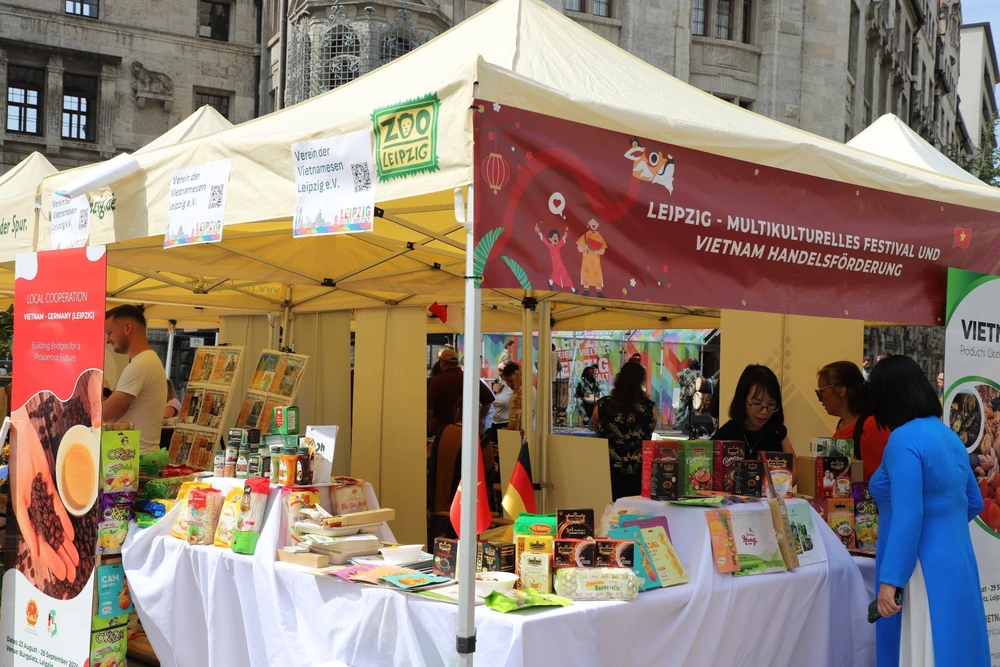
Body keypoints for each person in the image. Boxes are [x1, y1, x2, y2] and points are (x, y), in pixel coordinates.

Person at [867, 355, 988, 666]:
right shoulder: (949, 436)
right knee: (955, 646)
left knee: (921, 649)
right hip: (957, 557)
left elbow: (909, 514)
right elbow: (973, 501)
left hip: (918, 566)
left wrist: (891, 579)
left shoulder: (902, 441)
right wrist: (942, 531)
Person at [103, 305, 168, 455]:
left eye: (109, 332)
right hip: (136, 457)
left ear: (127, 328)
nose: (107, 340)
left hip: (135, 460)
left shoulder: (140, 365)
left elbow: (106, 414)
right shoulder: (145, 361)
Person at [816, 361, 890, 482]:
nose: (820, 398)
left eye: (821, 391)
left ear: (841, 391)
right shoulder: (841, 425)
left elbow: (882, 479)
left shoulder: (871, 426)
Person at [593, 362, 656, 500]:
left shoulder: (603, 405)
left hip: (608, 469)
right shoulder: (649, 408)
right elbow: (651, 429)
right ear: (641, 381)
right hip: (638, 470)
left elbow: (596, 427)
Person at [713, 365, 793, 457]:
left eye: (771, 405)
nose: (764, 412)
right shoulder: (727, 434)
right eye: (757, 404)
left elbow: (793, 468)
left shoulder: (776, 431)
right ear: (743, 400)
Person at [426, 348, 494, 435]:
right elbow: (488, 400)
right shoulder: (469, 378)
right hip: (467, 430)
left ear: (442, 363)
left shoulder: (438, 381)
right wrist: (480, 417)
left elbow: (429, 407)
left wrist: (431, 420)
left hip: (443, 430)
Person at [675, 358, 701, 432]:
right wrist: (685, 384)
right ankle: (678, 424)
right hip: (684, 393)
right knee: (681, 408)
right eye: (689, 362)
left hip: (694, 394)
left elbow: (701, 381)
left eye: (691, 363)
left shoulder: (698, 373)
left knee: (693, 410)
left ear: (695, 363)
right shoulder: (684, 371)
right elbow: (679, 379)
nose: (689, 364)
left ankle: (691, 424)